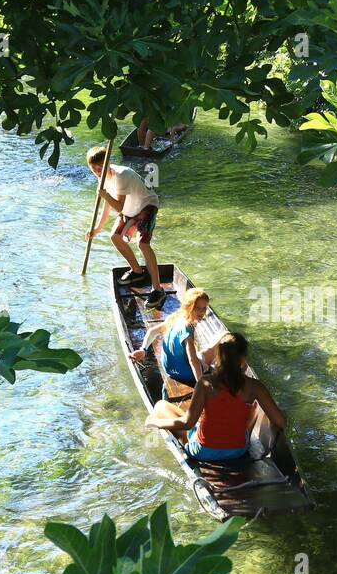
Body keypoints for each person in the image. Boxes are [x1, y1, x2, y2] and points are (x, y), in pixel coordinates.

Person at [145, 332, 286, 461]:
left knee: (161, 406)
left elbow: (187, 423)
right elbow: (280, 421)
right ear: (243, 359)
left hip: (204, 451)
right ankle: (238, 437)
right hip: (238, 450)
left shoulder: (206, 382)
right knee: (254, 406)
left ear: (219, 354)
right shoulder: (255, 386)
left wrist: (156, 422)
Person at [85, 145, 163, 307]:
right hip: (130, 209)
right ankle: (137, 271)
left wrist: (104, 194)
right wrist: (97, 229)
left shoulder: (122, 175)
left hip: (146, 205)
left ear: (108, 163)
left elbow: (118, 207)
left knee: (142, 243)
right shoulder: (102, 179)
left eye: (100, 168)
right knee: (114, 236)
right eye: (94, 169)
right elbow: (107, 206)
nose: (98, 172)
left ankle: (157, 289)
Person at [129, 287, 217, 389]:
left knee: (204, 351)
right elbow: (193, 360)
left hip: (168, 368)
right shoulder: (187, 329)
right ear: (188, 307)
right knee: (221, 340)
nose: (202, 312)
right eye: (197, 308)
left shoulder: (176, 317)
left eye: (204, 308)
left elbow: (152, 331)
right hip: (184, 374)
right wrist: (201, 386)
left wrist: (143, 350)